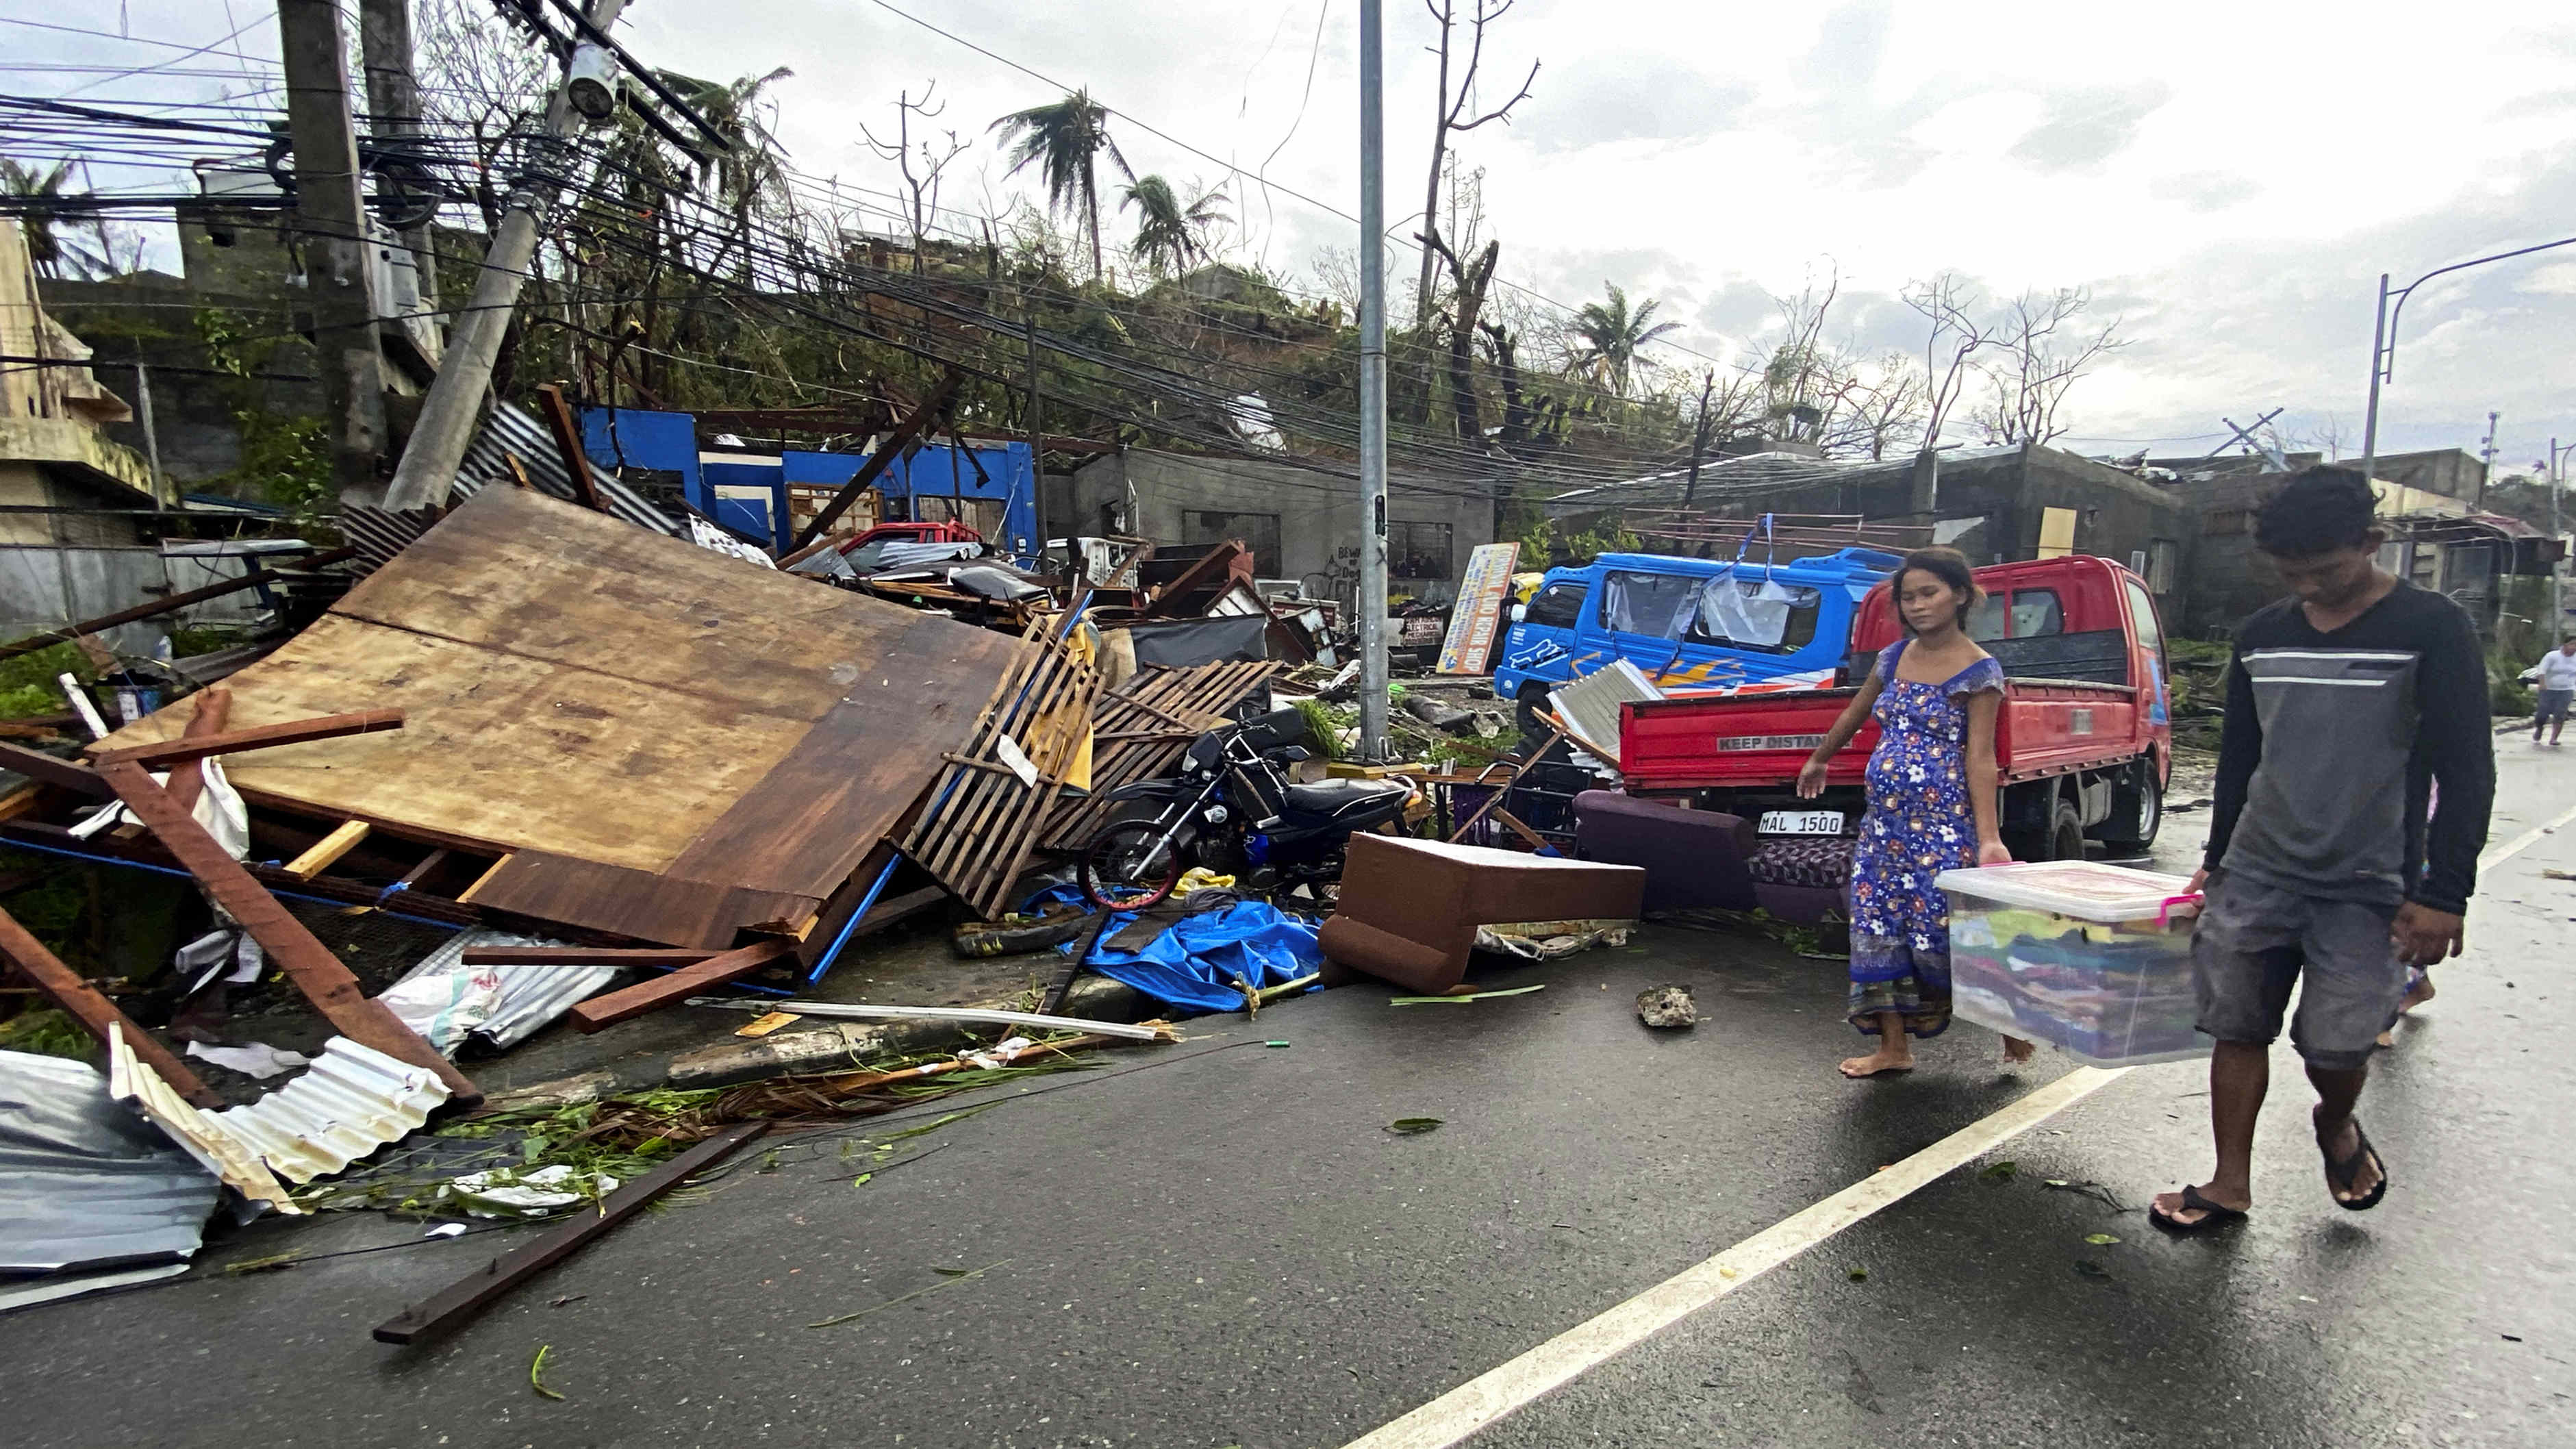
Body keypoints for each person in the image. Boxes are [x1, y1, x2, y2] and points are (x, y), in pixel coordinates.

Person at [2151, 467, 2493, 1230]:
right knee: (2236, 1026)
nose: (2310, 588)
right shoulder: (2264, 634)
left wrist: (2444, 893)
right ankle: (2228, 1183)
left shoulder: (2431, 627)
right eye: (2291, 574)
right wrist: (2218, 857)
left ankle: (2334, 1121)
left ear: (2371, 542)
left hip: (2370, 881)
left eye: (2327, 571)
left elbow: (2467, 768)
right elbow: (2242, 756)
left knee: (2336, 1049)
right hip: (2258, 870)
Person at [1797, 546, 2029, 1079]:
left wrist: (1989, 838)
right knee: (1877, 928)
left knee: (1947, 932)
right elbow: (1855, 713)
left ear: (1960, 595)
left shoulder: (1980, 671)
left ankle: (2010, 1021)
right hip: (1884, 829)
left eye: (1930, 593)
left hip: (1943, 828)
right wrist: (1820, 758)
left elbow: (1981, 757)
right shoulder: (1893, 657)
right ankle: (1893, 1048)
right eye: (1908, 597)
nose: (1918, 605)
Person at [2530, 635, 2576, 746]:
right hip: (2548, 689)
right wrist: (2542, 683)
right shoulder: (2552, 656)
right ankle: (2539, 728)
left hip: (2567, 689)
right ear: (2565, 645)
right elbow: (2541, 671)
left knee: (2560, 714)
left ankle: (2554, 738)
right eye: (2572, 644)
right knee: (2542, 714)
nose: (2574, 647)